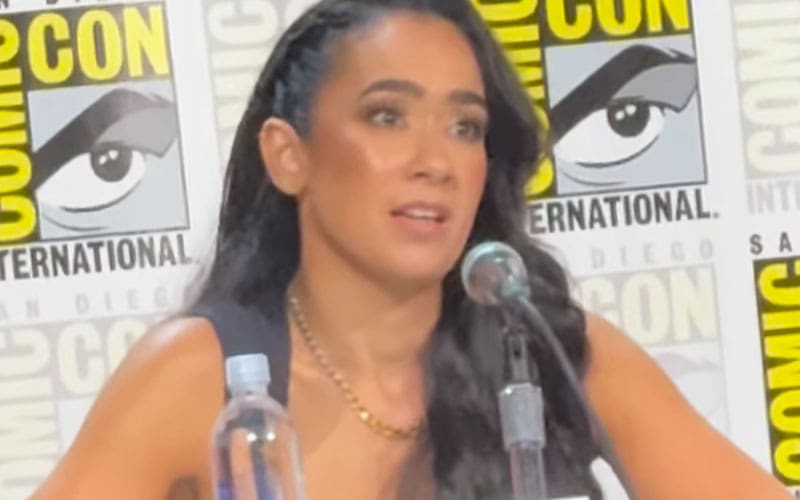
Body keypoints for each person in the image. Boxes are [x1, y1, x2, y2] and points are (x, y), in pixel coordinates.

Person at [31, 1, 790, 499]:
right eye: (387, 116)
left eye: (464, 127)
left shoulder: (549, 349)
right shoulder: (200, 376)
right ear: (288, 155)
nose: (436, 161)